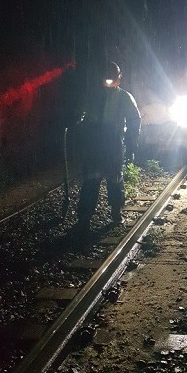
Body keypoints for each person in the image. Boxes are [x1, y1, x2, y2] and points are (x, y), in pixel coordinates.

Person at [76, 61, 141, 246]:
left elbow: (134, 121)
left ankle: (116, 212)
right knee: (90, 180)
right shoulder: (93, 96)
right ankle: (84, 218)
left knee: (115, 179)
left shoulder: (124, 98)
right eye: (106, 75)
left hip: (113, 143)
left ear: (119, 78)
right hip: (94, 143)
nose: (109, 79)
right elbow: (83, 117)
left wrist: (132, 144)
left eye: (113, 76)